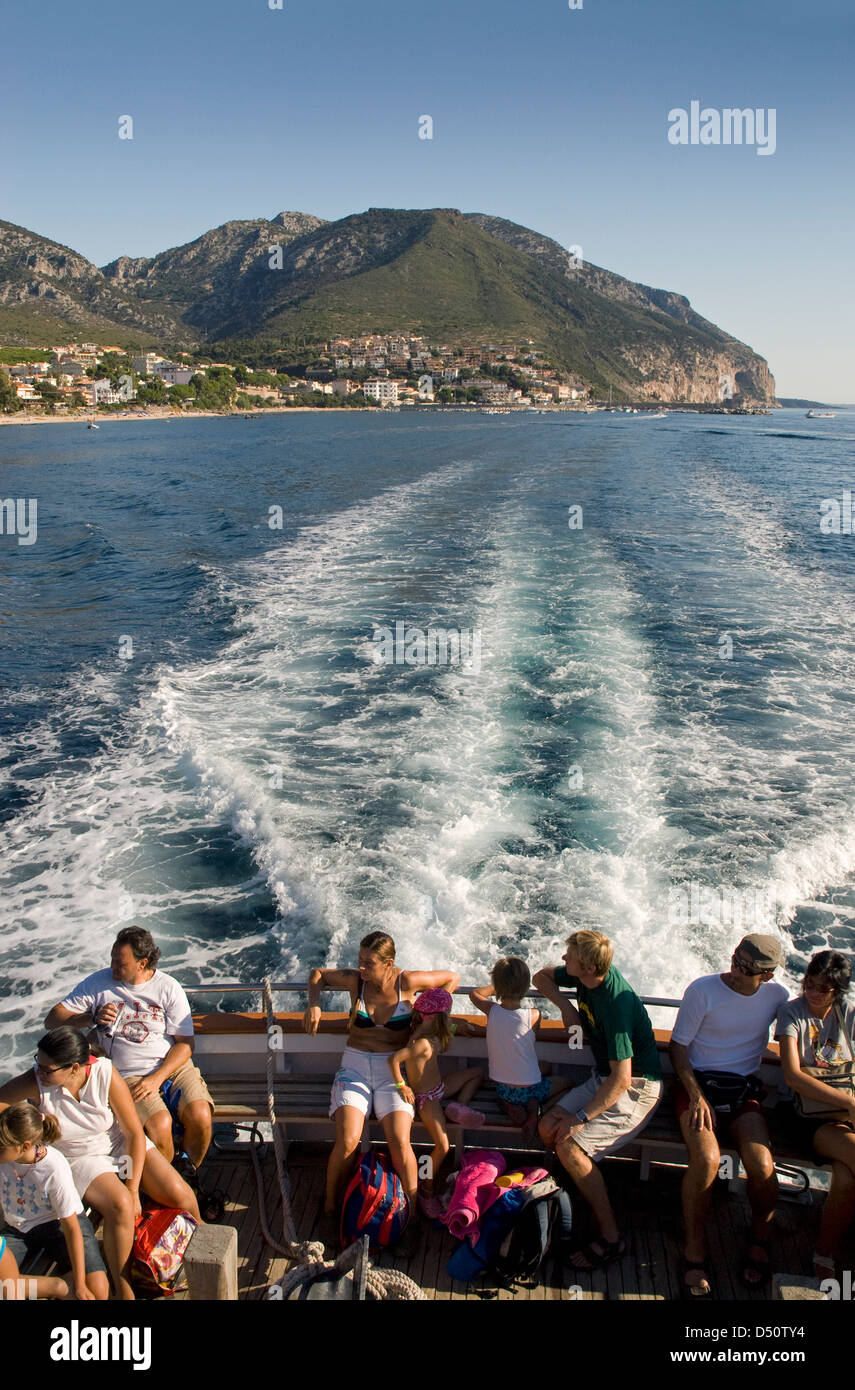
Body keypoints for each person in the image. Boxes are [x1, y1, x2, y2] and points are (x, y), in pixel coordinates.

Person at [0, 1026, 201, 1300]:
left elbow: (132, 1133)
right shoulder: (37, 1082)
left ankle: (202, 1261)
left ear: (74, 1068)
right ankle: (124, 1289)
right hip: (79, 1157)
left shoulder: (104, 1072)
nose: (40, 1071)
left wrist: (133, 1186)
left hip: (119, 1146)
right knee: (120, 1204)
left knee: (183, 1195)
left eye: (48, 1068)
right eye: (39, 1063)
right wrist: (27, 1127)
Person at [303, 931, 459, 1247]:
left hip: (395, 1072)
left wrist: (432, 1013)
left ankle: (412, 1216)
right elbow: (317, 974)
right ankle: (331, 1207)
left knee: (400, 1141)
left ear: (388, 963)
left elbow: (451, 978)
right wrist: (314, 1005)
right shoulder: (355, 982)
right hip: (355, 1067)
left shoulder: (408, 981)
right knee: (347, 1140)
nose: (361, 967)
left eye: (368, 963)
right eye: (360, 960)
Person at [669, 932, 788, 1297]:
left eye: (746, 969)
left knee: (763, 1167)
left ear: (767, 976)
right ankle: (694, 1247)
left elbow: (803, 1026)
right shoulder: (702, 990)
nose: (735, 971)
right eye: (735, 960)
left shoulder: (777, 998)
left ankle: (759, 1237)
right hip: (697, 1088)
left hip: (742, 1092)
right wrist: (696, 1094)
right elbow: (677, 1048)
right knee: (707, 1159)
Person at [534, 930, 662, 1270]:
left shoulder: (615, 1004)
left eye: (570, 956)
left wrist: (580, 1118)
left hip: (636, 1087)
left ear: (589, 967)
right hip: (603, 1078)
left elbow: (622, 1079)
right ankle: (570, 1195)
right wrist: (566, 1008)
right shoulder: (586, 976)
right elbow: (540, 977)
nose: (564, 960)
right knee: (547, 1127)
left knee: (569, 1144)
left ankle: (611, 1237)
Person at [45, 926, 213, 1171]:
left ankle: (189, 1174)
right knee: (160, 1125)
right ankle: (166, 1186)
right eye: (112, 960)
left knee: (201, 1116)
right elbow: (53, 1020)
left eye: (119, 963)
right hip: (127, 1074)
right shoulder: (99, 983)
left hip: (172, 1068)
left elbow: (185, 1046)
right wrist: (90, 1017)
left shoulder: (168, 987)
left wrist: (157, 1079)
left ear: (142, 963)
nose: (112, 967)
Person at [775, 950, 855, 1279]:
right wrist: (851, 1106)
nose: (812, 993)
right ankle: (824, 1253)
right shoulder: (791, 1012)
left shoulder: (847, 1012)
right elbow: (793, 1077)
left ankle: (824, 1251)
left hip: (840, 1114)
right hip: (802, 1116)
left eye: (822, 989)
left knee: (848, 1178)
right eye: (809, 984)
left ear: (837, 991)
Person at [387, 988, 485, 1216]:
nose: (450, 1017)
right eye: (448, 1014)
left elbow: (447, 1027)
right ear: (437, 1017)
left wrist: (458, 1026)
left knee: (477, 1073)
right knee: (442, 1146)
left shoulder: (431, 1032)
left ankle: (459, 1106)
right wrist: (403, 1086)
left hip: (440, 1087)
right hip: (426, 1098)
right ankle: (426, 1188)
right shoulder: (420, 1043)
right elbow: (393, 1059)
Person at [0, 1101, 106, 1300]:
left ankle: (72, 1282)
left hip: (59, 1225)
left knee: (97, 1292)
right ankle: (56, 1286)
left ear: (25, 1146)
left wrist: (81, 1284)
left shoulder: (53, 1167)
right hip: (19, 1229)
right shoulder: (5, 1154)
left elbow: (72, 1227)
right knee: (2, 1287)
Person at [471, 957, 569, 1138]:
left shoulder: (491, 1010)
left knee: (544, 1067)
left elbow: (474, 994)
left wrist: (497, 985)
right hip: (529, 1090)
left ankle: (510, 1103)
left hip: (502, 1089)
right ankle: (538, 1110)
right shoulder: (534, 1015)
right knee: (568, 1084)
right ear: (525, 988)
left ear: (498, 986)